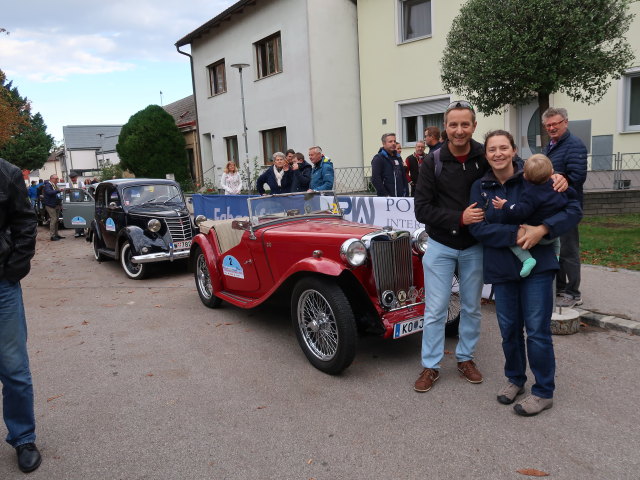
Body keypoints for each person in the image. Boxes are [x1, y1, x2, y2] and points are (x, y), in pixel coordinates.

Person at [469, 130, 581, 416]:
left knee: (537, 332)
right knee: (509, 331)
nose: (497, 153)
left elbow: (573, 209)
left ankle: (543, 391)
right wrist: (518, 233)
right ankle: (515, 379)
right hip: (502, 267)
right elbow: (478, 228)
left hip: (539, 267)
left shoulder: (538, 176)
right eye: (492, 149)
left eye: (503, 147)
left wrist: (542, 230)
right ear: (486, 154)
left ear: (513, 150)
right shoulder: (480, 187)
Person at [413, 100, 487, 393]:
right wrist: (459, 217)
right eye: (453, 125)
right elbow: (422, 209)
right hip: (441, 245)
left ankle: (465, 358)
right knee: (435, 309)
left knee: (471, 307)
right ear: (445, 127)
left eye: (464, 124)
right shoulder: (433, 160)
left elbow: (516, 176)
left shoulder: (485, 156)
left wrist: (552, 176)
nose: (459, 130)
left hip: (474, 246)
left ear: (474, 126)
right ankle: (430, 365)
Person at [0, 157, 42, 472]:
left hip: (2, 284)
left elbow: (26, 221)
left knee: (14, 368)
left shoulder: (8, 173)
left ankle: (23, 437)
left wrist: (14, 268)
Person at [492, 153, 572, 277]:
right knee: (557, 237)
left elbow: (520, 211)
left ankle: (527, 260)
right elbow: (567, 203)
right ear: (552, 172)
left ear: (525, 175)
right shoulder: (558, 188)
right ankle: (556, 255)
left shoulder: (530, 194)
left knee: (511, 237)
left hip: (535, 235)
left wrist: (505, 205)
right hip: (552, 233)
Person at [542, 107, 588, 308]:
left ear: (565, 123)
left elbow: (577, 177)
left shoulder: (574, 145)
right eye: (548, 125)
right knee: (557, 249)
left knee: (569, 250)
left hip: (568, 207)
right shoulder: (551, 145)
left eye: (556, 123)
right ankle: (560, 288)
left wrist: (559, 179)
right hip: (553, 206)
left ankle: (573, 293)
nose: (552, 128)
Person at [371, 133, 409, 197]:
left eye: (394, 141)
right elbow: (375, 179)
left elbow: (403, 177)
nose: (393, 143)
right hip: (386, 200)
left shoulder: (398, 157)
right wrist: (386, 195)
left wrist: (406, 193)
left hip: (400, 198)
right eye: (390, 141)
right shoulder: (378, 158)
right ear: (384, 143)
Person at [43, 174, 64, 241]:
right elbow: (49, 192)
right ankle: (52, 236)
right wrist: (59, 191)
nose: (57, 180)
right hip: (50, 205)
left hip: (55, 204)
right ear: (51, 179)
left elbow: (59, 192)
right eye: (56, 179)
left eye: (57, 179)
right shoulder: (48, 185)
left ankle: (56, 234)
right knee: (53, 219)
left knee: (57, 220)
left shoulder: (54, 185)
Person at [68, 171, 85, 237]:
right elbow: (66, 192)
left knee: (82, 216)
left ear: (77, 177)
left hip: (81, 202)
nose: (73, 179)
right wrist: (68, 191)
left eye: (74, 178)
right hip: (73, 203)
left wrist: (83, 189)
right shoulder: (68, 184)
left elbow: (84, 190)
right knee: (75, 217)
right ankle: (77, 232)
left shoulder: (81, 183)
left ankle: (82, 231)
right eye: (72, 178)